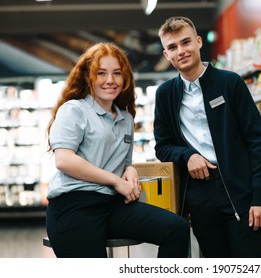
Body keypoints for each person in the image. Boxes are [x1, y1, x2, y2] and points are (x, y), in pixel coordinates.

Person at [45, 42, 189, 258]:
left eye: (116, 73)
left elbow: (124, 162)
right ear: (87, 77)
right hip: (74, 206)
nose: (110, 80)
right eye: (101, 73)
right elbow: (64, 160)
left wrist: (129, 170)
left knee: (176, 229)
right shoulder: (74, 110)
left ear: (125, 78)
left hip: (112, 205)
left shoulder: (125, 118)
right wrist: (116, 181)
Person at [154, 17, 261, 258]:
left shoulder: (230, 83)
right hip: (199, 195)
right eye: (173, 47)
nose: (181, 51)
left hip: (239, 191)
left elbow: (257, 142)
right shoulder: (165, 94)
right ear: (167, 54)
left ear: (198, 42)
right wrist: (187, 156)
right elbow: (163, 146)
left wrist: (260, 198)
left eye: (186, 42)